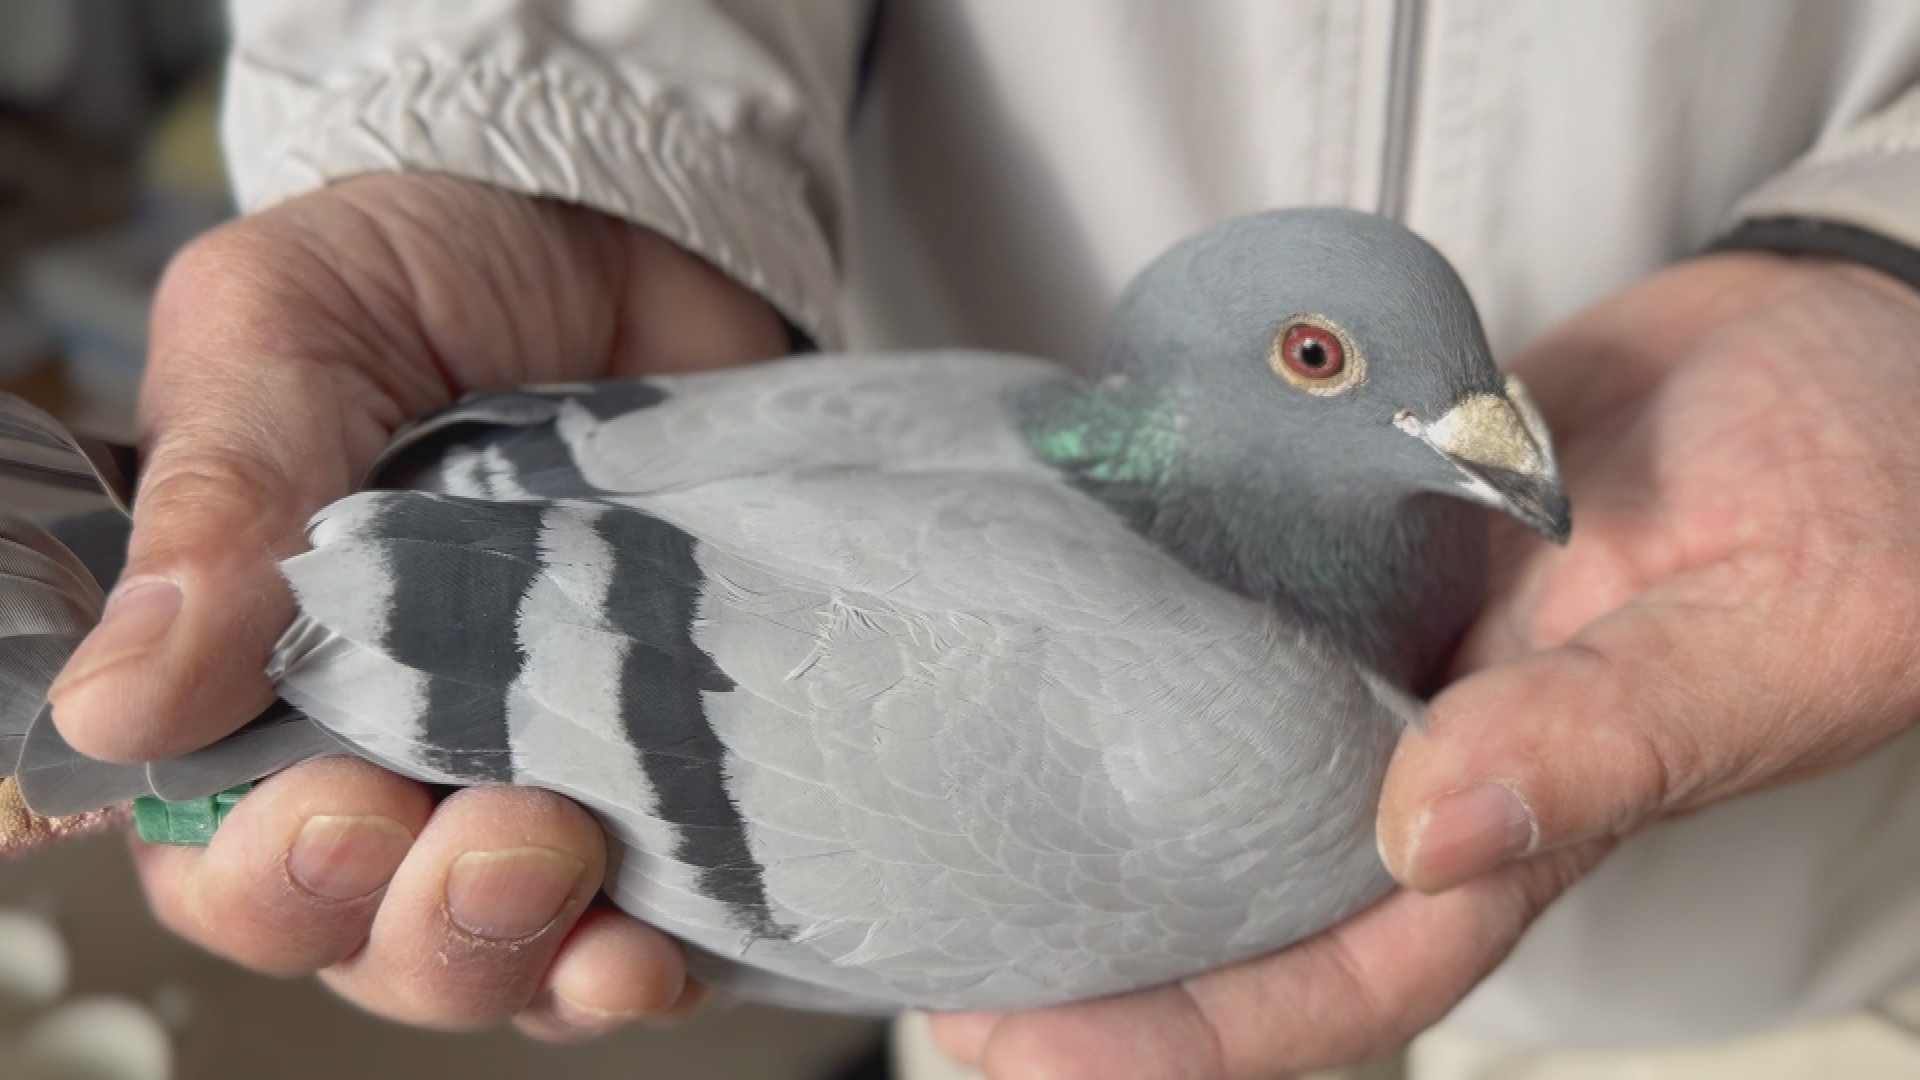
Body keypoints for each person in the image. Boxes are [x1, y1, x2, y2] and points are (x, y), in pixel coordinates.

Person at [42, 2, 1920, 1076]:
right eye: (1333, 363)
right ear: (1232, 366)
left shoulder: (1048, 405)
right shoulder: (1288, 761)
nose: (1485, 434)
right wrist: (539, 128)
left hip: (1775, 972)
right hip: (508, 627)